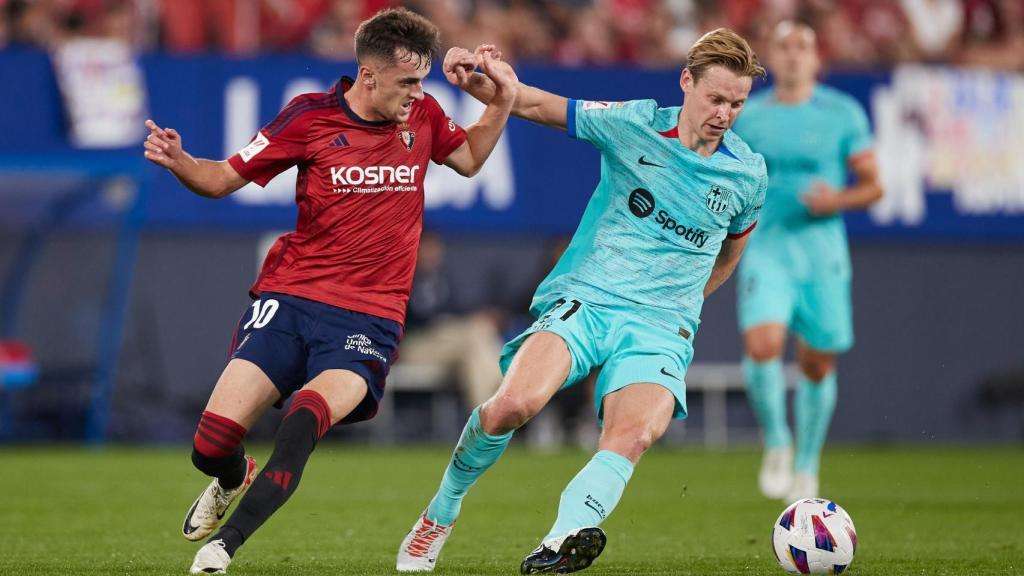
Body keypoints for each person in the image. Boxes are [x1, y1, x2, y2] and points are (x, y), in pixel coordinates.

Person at [142, 8, 518, 574]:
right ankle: (229, 475)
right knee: (210, 444)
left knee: (304, 418)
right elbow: (220, 178)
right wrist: (180, 161)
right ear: (368, 76)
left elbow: (467, 159)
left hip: (368, 319)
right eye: (407, 82)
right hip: (291, 299)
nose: (418, 94)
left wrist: (500, 104)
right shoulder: (309, 118)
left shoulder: (425, 116)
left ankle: (224, 548)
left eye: (422, 82)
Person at [397, 29, 768, 574]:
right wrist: (478, 79)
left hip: (662, 325)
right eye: (716, 98)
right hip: (589, 300)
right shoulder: (633, 124)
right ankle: (439, 513)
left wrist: (685, 305)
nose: (725, 113)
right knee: (511, 406)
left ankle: (560, 541)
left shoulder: (747, 174)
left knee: (635, 433)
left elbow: (730, 253)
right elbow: (535, 103)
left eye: (737, 103)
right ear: (686, 82)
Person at [730, 20, 883, 503]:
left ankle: (807, 462)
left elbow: (874, 185)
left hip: (821, 256)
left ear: (818, 59)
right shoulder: (750, 117)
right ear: (771, 58)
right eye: (785, 47)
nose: (794, 55)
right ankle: (776, 441)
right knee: (762, 343)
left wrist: (837, 199)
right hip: (767, 249)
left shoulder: (842, 113)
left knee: (816, 365)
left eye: (803, 47)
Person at [397, 230, 505, 411]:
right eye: (426, 248)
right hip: (416, 345)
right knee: (477, 334)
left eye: (435, 248)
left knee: (475, 348)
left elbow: (456, 311)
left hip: (449, 345)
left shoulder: (441, 278)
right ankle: (502, 392)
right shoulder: (403, 277)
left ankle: (484, 421)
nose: (432, 253)